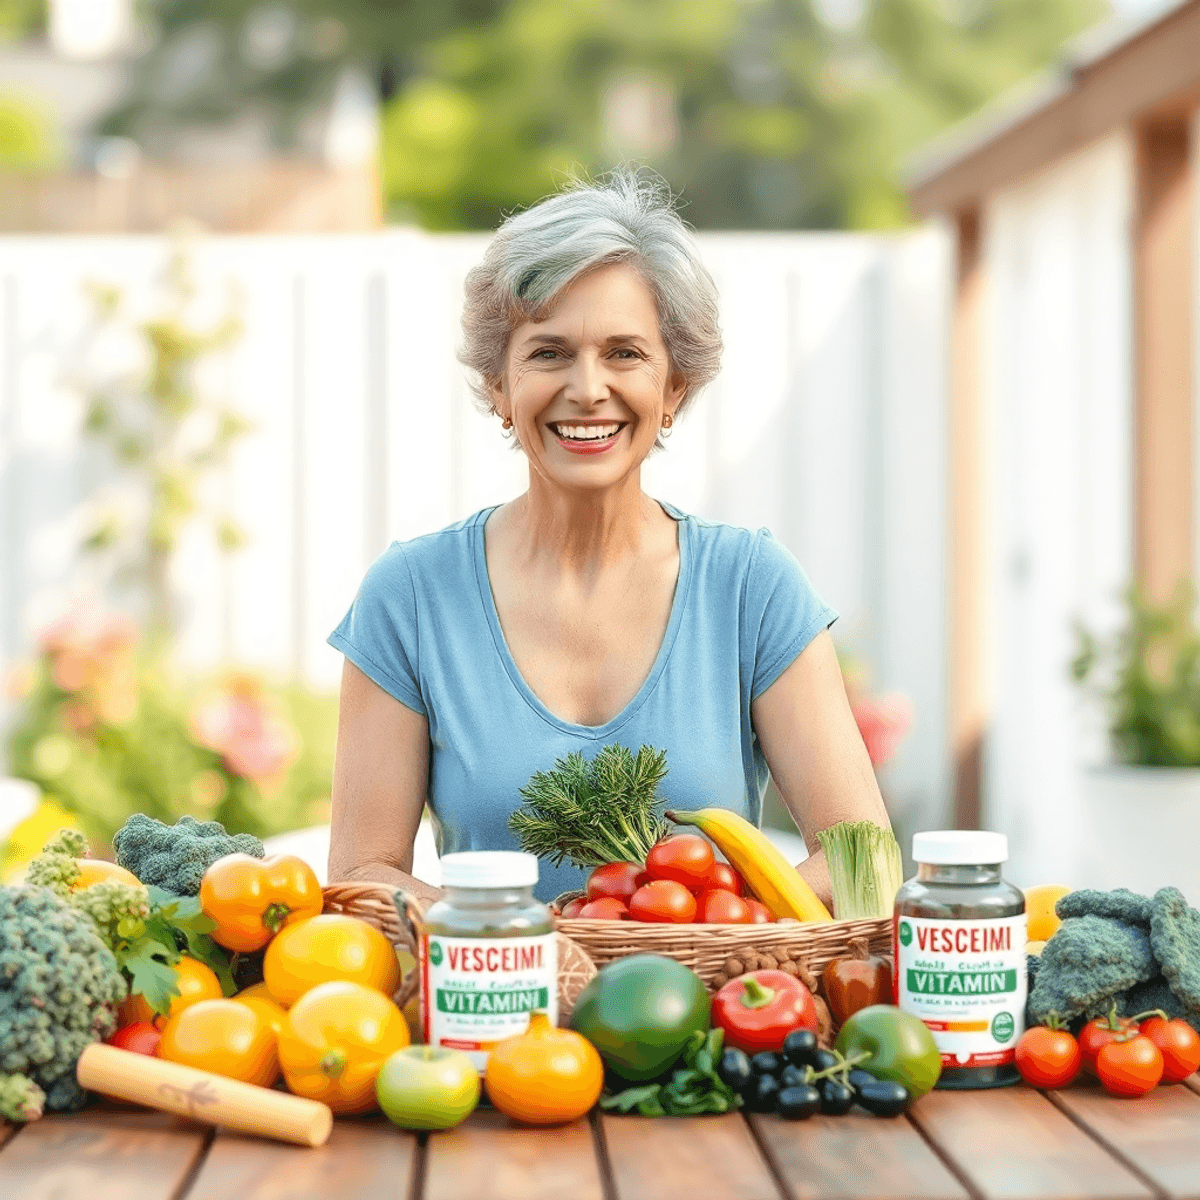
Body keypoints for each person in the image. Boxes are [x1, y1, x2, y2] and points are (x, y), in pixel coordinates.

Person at [327, 172, 890, 906]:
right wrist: (528, 940)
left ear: (674, 388)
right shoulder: (410, 596)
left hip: (709, 1011)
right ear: (499, 386)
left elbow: (863, 865)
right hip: (496, 1008)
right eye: (549, 353)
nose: (588, 388)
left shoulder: (751, 587)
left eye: (624, 353)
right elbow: (361, 878)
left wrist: (684, 926)